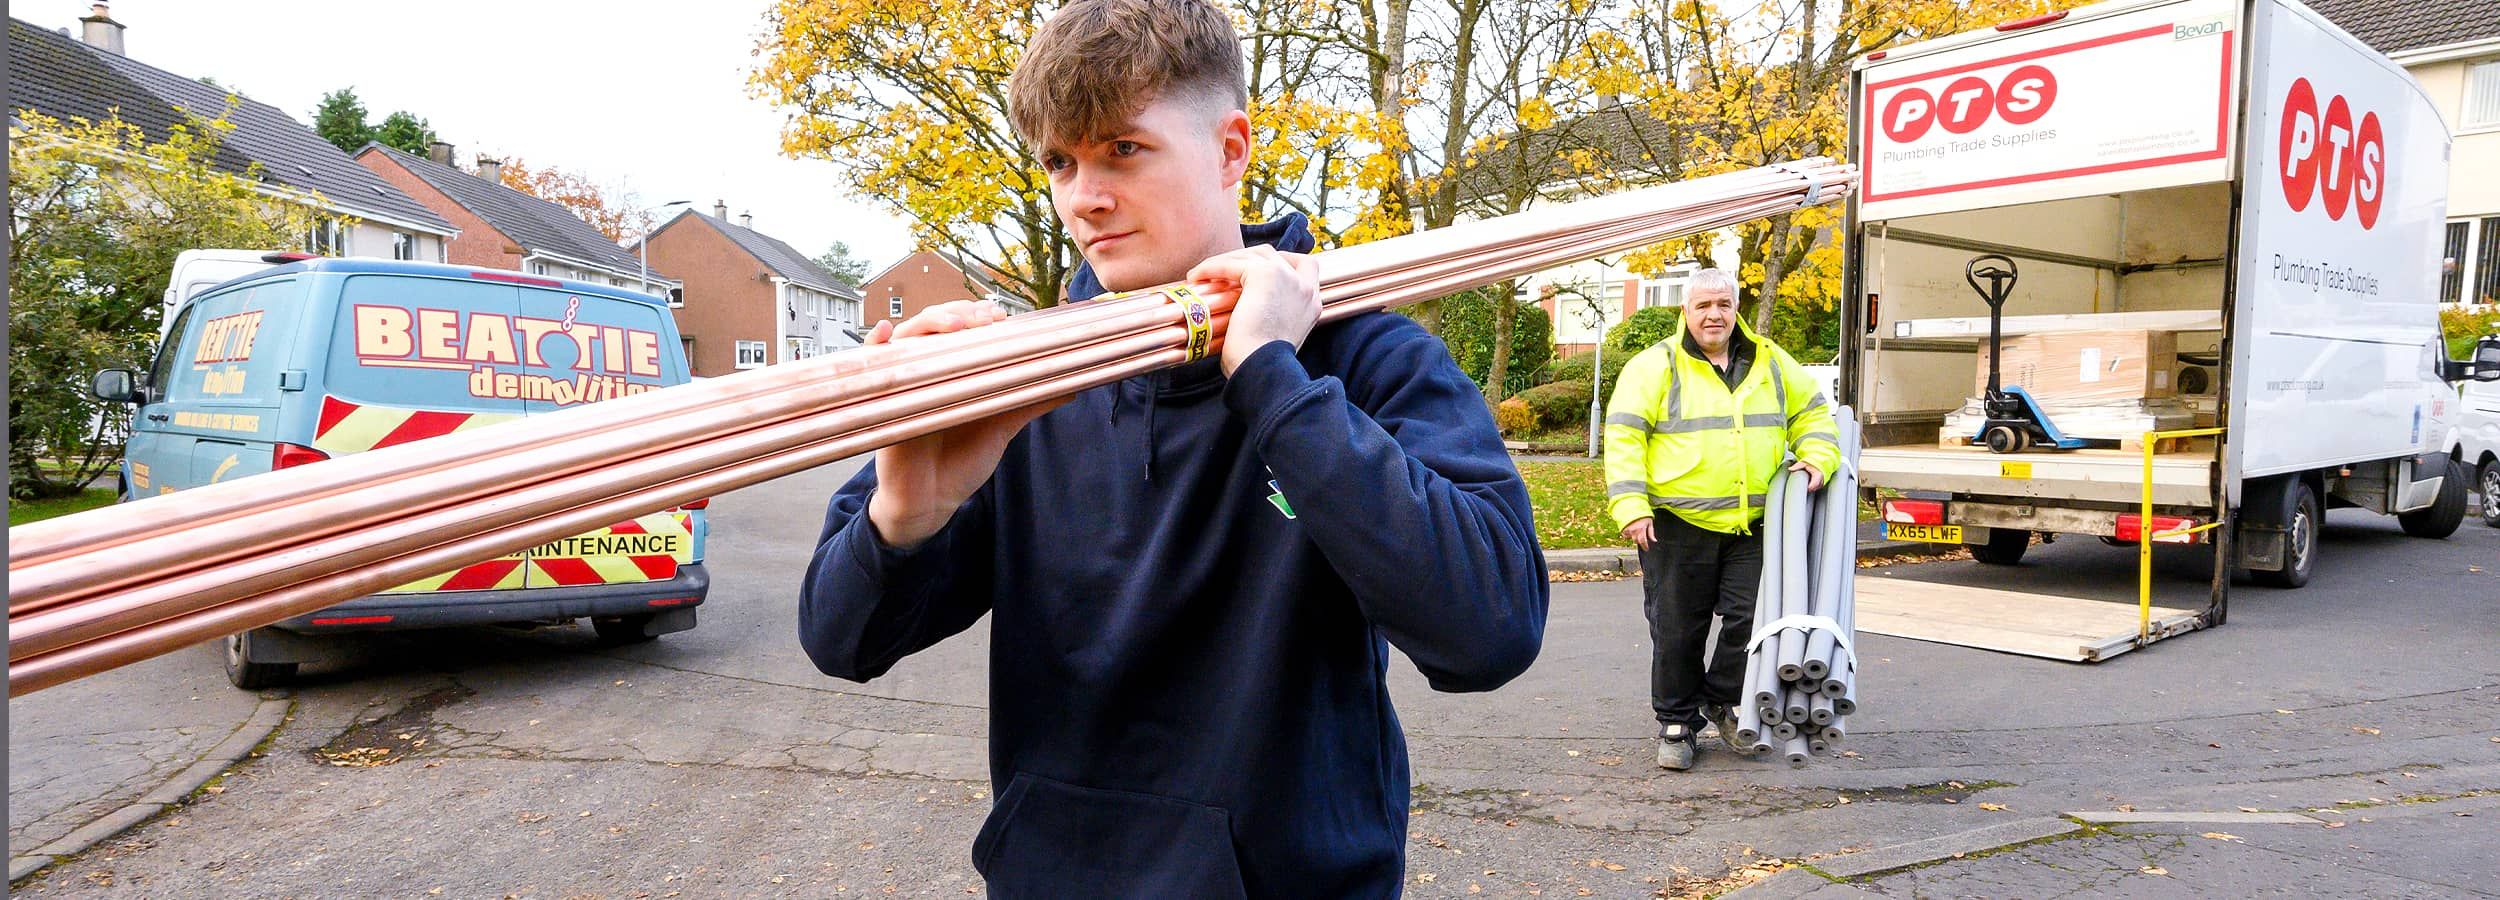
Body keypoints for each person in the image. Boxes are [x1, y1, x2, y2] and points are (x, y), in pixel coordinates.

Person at [796, 0, 1549, 895]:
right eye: (1059, 161)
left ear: (1231, 150)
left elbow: (1492, 629)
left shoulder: (1367, 360)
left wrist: (1273, 380)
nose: (1084, 196)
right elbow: (839, 639)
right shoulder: (1020, 383)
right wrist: (905, 517)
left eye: (1122, 148)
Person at [1601, 268, 1839, 771]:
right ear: (1685, 312)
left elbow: (1814, 414)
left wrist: (1819, 456)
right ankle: (1676, 723)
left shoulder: (1771, 361)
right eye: (1704, 305)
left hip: (1751, 524)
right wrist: (1631, 507)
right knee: (1676, 630)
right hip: (1675, 524)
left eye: (1724, 305)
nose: (1715, 314)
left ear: (1736, 310)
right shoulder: (1655, 366)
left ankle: (1722, 697)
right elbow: (1623, 439)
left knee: (1754, 621)